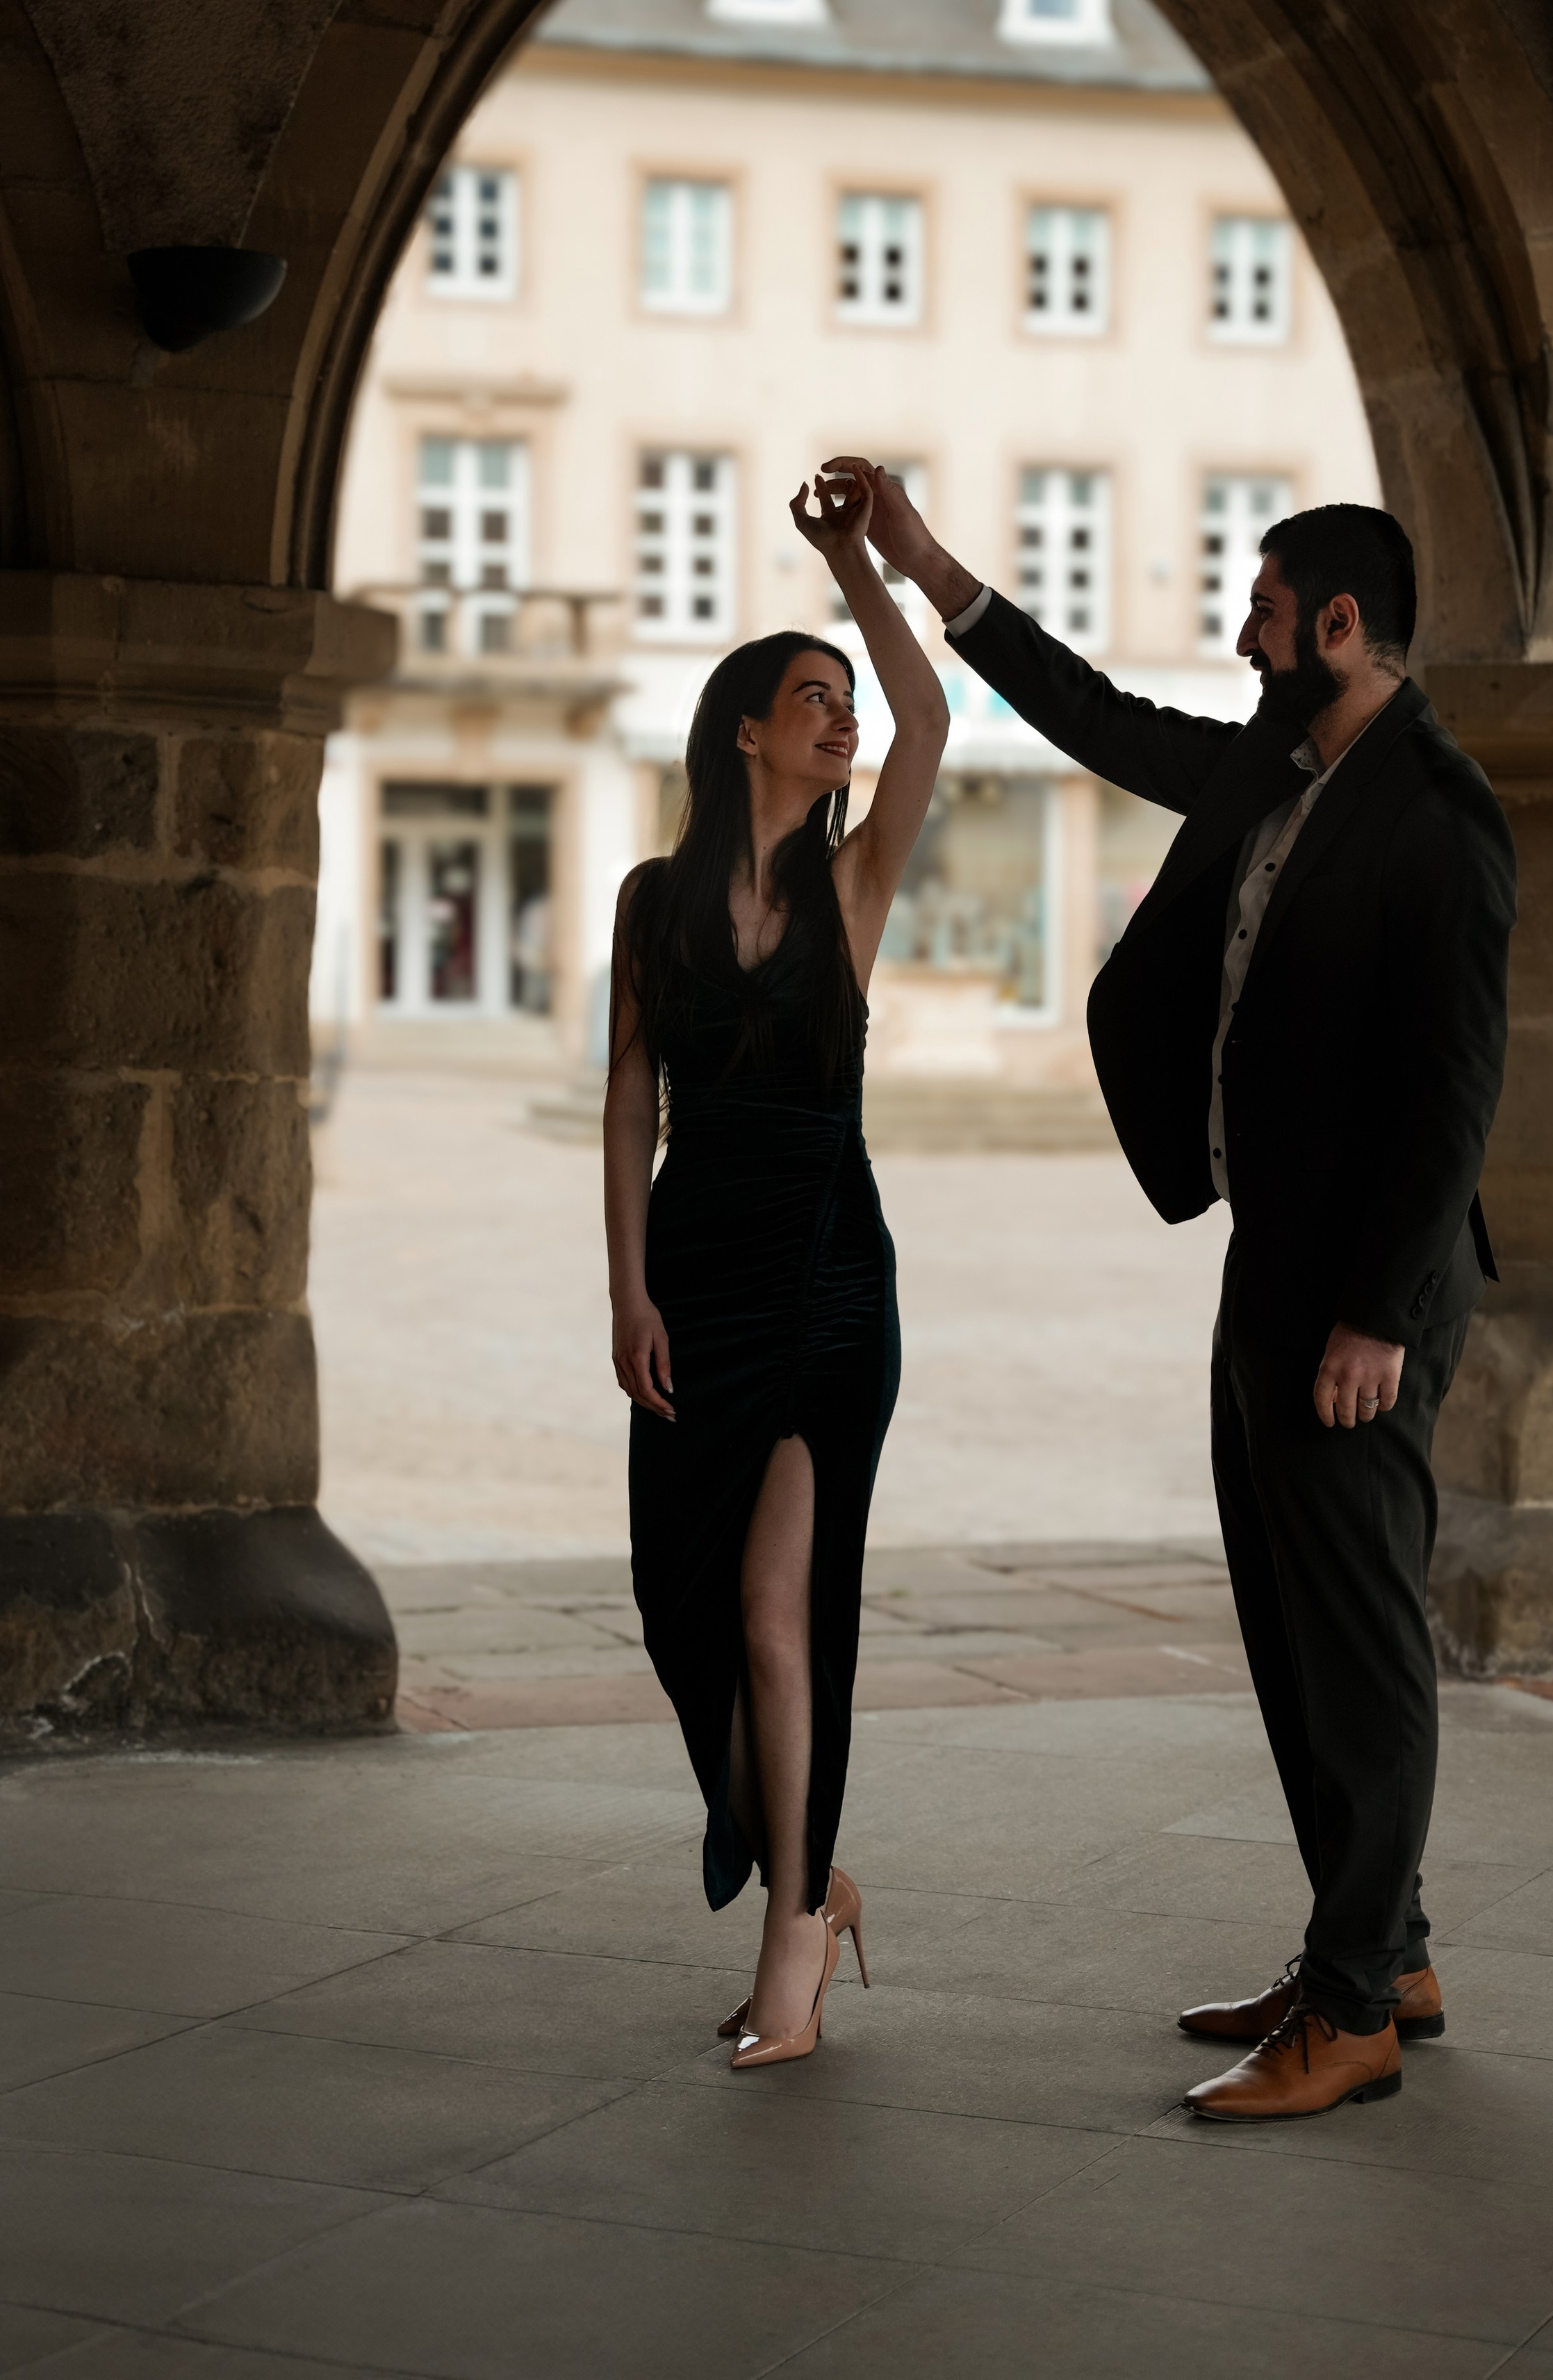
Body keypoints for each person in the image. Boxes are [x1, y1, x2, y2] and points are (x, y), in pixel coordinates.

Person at [841, 460, 1515, 2123]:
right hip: (1269, 1256)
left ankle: (1350, 2014)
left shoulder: (1434, 812)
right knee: (1288, 1624)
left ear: (1338, 625)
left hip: (1361, 1295)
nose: (1241, 638)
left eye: (1263, 613)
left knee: (1356, 1639)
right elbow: (1095, 717)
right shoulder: (1278, 772)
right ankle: (1382, 1952)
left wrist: (1374, 1313)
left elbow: (1451, 1089)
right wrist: (923, 564)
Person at [604, 463, 948, 2071]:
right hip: (692, 1280)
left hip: (825, 1282)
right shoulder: (650, 905)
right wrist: (627, 1292)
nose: (843, 720)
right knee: (681, 1613)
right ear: (741, 730)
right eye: (813, 698)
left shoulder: (851, 885)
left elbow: (927, 718)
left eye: (842, 703)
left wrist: (858, 566)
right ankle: (812, 1875)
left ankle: (790, 1942)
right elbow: (629, 1107)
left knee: (773, 1610)